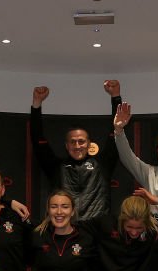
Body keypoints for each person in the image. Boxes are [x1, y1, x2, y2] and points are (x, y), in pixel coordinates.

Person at [30, 81, 122, 219]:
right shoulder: (56, 168)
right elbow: (37, 140)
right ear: (66, 146)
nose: (77, 146)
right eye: (73, 142)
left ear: (89, 144)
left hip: (96, 232)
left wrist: (115, 96)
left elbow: (117, 131)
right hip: (67, 230)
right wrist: (36, 103)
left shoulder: (102, 165)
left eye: (81, 141)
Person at [29, 190, 98, 271]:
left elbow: (95, 268)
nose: (59, 212)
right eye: (54, 207)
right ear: (48, 211)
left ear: (72, 211)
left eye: (65, 207)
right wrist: (11, 203)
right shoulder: (37, 235)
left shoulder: (85, 238)